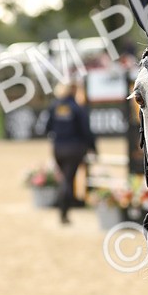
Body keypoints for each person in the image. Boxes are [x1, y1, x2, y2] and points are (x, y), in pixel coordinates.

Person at [45, 80, 97, 224]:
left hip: (58, 148)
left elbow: (47, 128)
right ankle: (64, 211)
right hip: (74, 148)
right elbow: (86, 131)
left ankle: (65, 205)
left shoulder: (54, 106)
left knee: (65, 178)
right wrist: (93, 147)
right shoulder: (77, 108)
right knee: (68, 179)